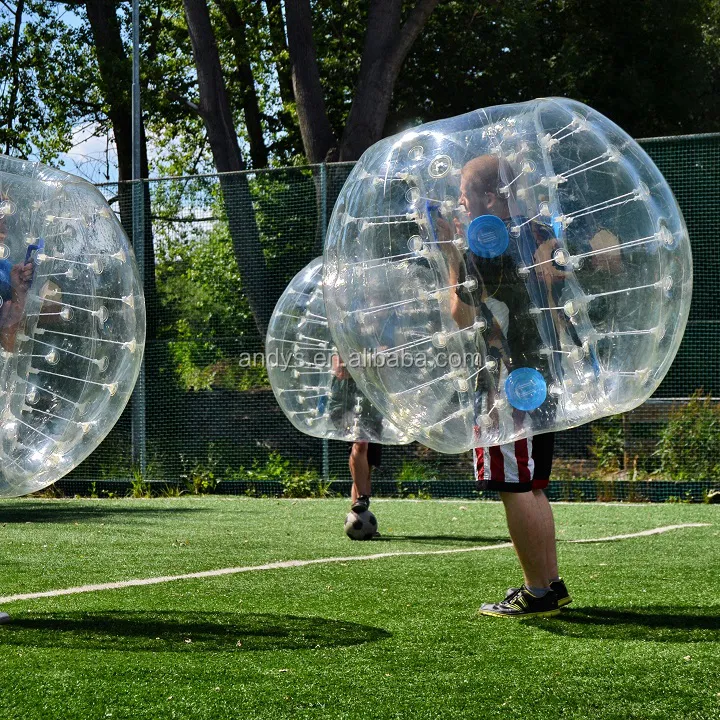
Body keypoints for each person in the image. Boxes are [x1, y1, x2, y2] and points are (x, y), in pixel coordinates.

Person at [440, 154, 572, 618]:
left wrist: (451, 256)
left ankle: (538, 590)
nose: (459, 208)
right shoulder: (534, 232)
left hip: (508, 383)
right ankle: (548, 584)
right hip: (541, 376)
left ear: (491, 197)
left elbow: (461, 314)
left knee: (515, 486)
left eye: (464, 198)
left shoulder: (487, 247)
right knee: (532, 485)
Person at [329, 353, 382, 532]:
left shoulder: (382, 332)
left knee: (367, 465)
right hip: (345, 401)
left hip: (372, 401)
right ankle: (361, 497)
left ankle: (358, 515)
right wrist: (373, 361)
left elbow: (395, 361)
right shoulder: (346, 328)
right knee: (360, 443)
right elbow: (341, 370)